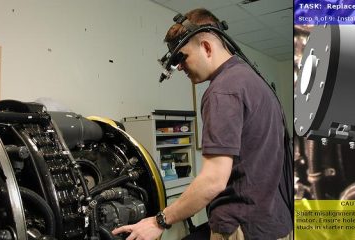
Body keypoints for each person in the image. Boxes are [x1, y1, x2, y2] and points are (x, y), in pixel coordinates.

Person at [112, 8, 293, 240]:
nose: (179, 67)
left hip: (243, 228)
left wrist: (160, 220)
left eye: (182, 57)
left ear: (206, 47)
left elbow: (213, 181)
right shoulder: (253, 81)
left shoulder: (222, 91)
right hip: (275, 223)